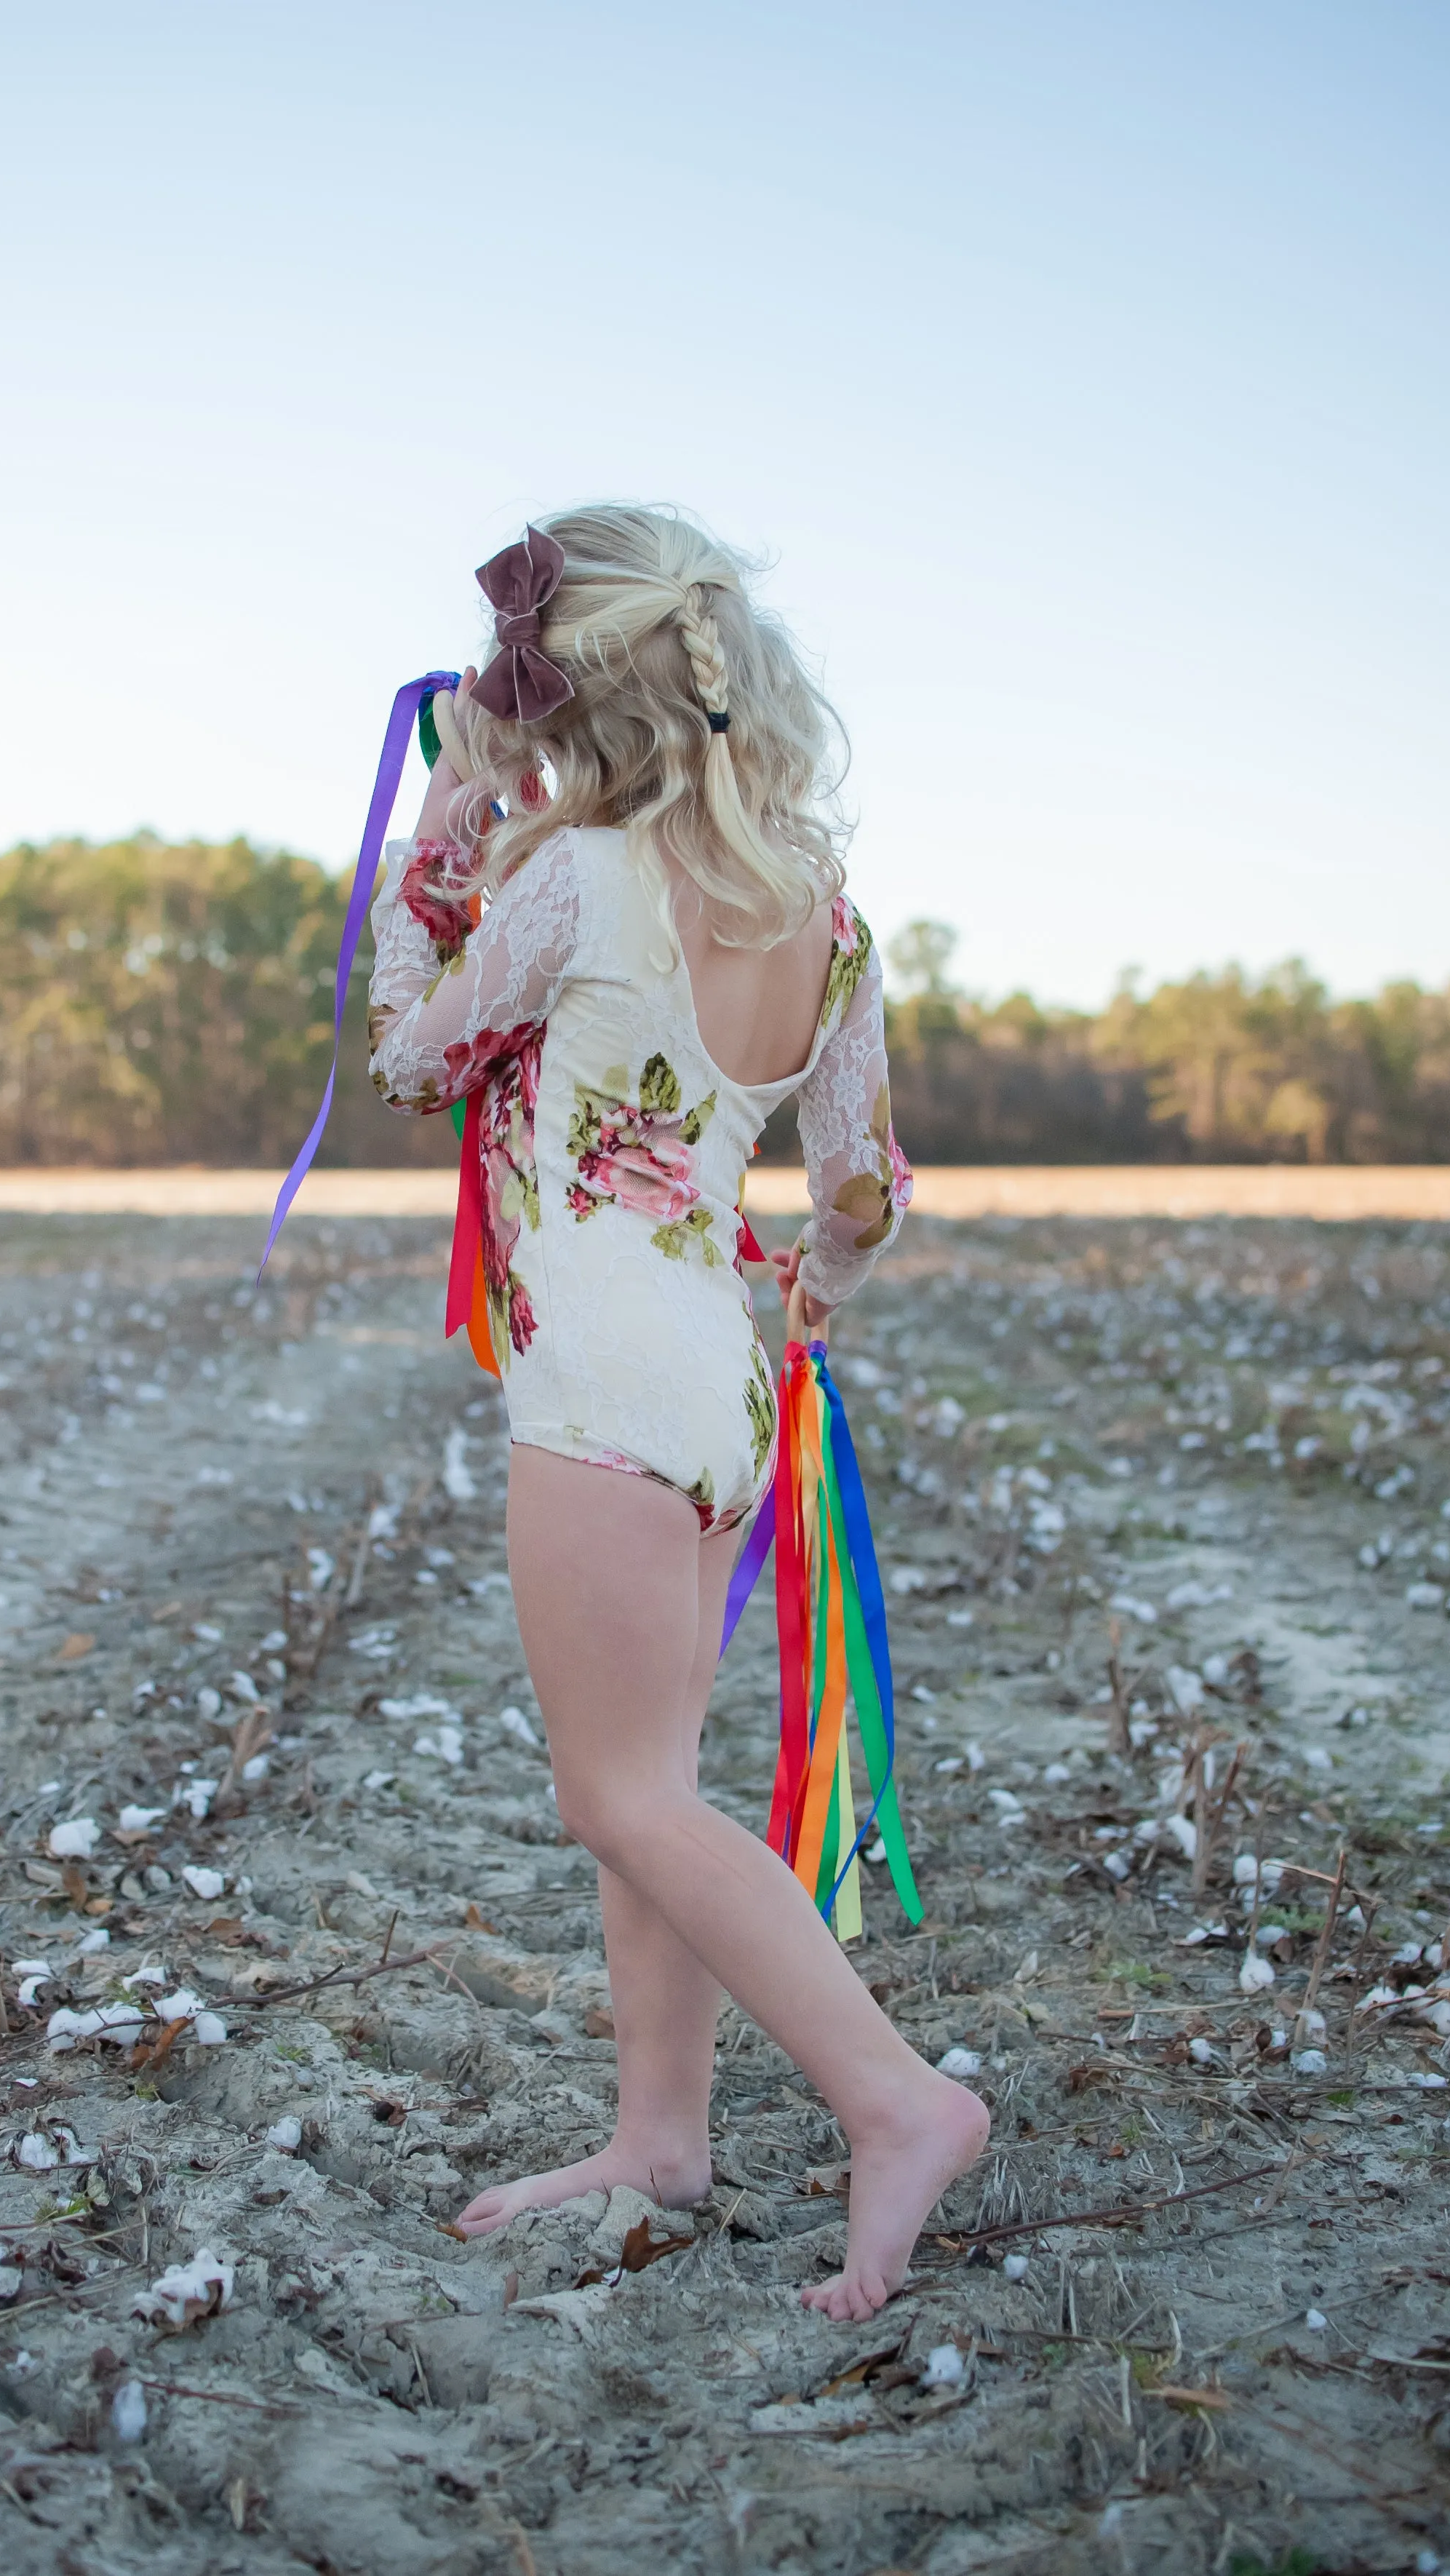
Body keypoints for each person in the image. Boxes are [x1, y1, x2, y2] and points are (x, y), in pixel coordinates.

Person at [365, 505, 987, 2321]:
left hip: (604, 1393)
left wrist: (435, 855)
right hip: (724, 1384)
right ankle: (659, 2136)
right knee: (657, 1794)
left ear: (582, 707)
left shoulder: (575, 881)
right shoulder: (830, 920)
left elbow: (415, 1063)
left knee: (618, 1794)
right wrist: (814, 1299)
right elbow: (862, 1188)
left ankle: (898, 2101)